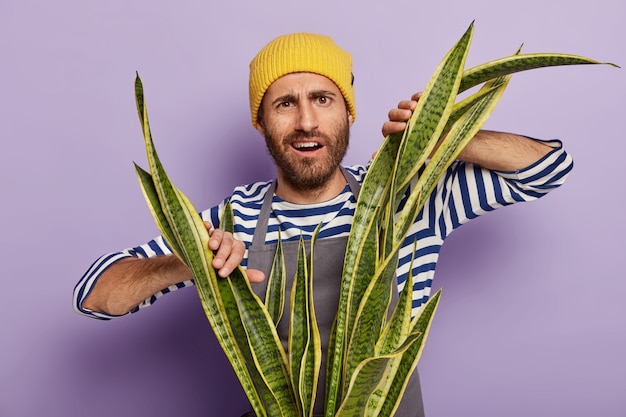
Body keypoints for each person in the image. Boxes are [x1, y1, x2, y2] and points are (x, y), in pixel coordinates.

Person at [73, 33, 573, 416]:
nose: (307, 121)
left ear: (347, 113)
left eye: (323, 99)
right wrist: (190, 261)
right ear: (263, 123)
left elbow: (548, 168)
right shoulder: (234, 217)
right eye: (284, 104)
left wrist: (450, 135)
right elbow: (95, 297)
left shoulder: (406, 198)